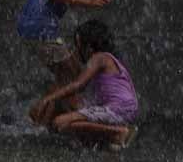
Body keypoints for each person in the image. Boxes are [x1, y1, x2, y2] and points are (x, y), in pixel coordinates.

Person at [28, 19, 139, 149]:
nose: (75, 50)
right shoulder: (109, 60)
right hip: (125, 109)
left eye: (77, 45)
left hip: (117, 110)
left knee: (60, 123)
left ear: (88, 48)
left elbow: (78, 85)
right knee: (68, 108)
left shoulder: (99, 58)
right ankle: (103, 138)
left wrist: (48, 99)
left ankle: (117, 132)